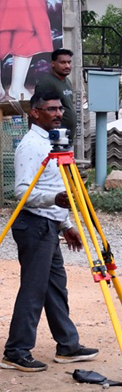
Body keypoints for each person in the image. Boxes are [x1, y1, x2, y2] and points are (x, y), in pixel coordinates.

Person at [1, 89, 97, 372]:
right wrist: (54, 201)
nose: (58, 114)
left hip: (50, 224)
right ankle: (16, 350)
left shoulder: (54, 143)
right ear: (35, 113)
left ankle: (68, 345)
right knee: (34, 288)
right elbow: (22, 191)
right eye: (51, 109)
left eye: (59, 109)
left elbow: (55, 187)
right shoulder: (32, 146)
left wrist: (66, 224)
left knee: (56, 287)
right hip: (34, 225)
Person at [33, 48, 75, 144]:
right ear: (52, 64)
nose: (67, 66)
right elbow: (37, 112)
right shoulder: (46, 83)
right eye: (63, 62)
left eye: (69, 62)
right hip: (54, 139)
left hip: (66, 137)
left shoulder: (67, 82)